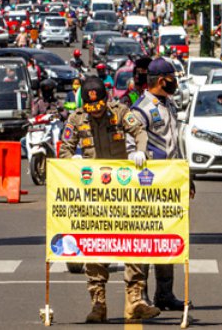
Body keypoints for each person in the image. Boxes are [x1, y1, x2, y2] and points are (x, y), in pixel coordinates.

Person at [59, 77, 159, 323]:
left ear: (106, 99)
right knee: (94, 245)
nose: (96, 112)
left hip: (122, 190)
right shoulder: (76, 119)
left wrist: (140, 151)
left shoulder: (119, 112)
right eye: (91, 108)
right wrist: (71, 161)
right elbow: (64, 148)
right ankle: (98, 303)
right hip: (92, 194)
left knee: (131, 241)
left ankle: (135, 300)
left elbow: (139, 131)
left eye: (100, 105)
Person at [131, 58, 193, 312]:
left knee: (168, 238)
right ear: (160, 81)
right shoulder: (140, 109)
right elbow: (130, 143)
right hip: (148, 186)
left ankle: (165, 294)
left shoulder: (170, 105)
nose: (175, 82)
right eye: (171, 78)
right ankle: (141, 295)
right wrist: (137, 155)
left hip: (171, 183)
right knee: (147, 240)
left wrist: (188, 178)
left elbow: (175, 145)